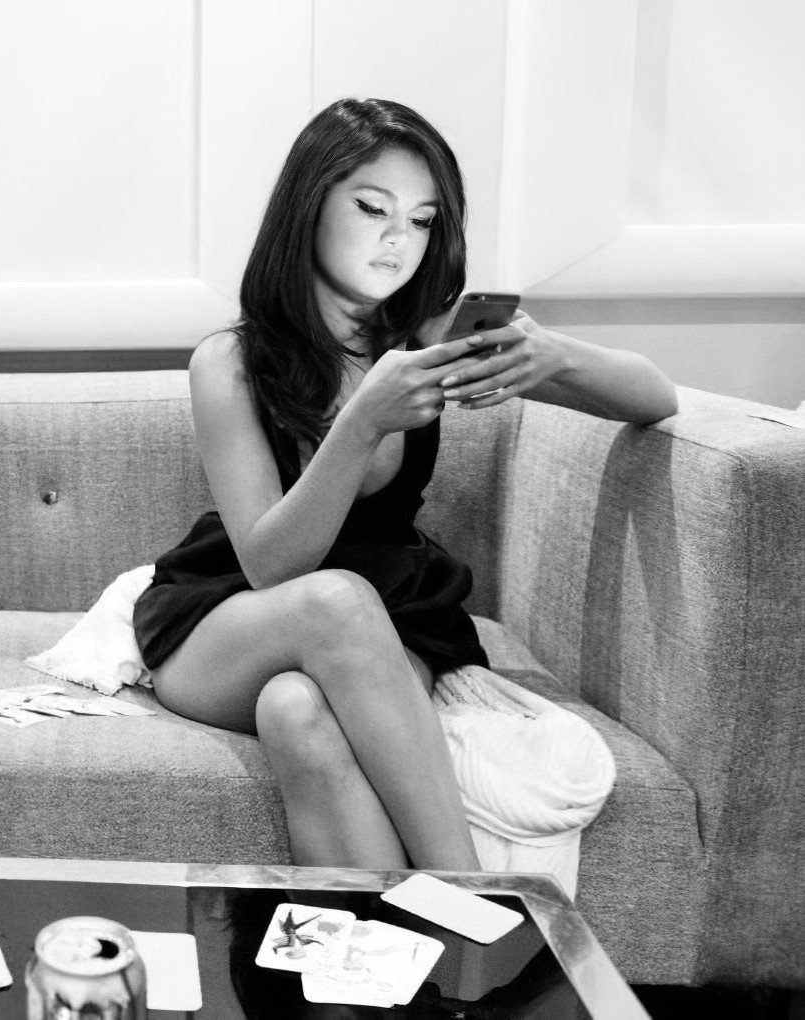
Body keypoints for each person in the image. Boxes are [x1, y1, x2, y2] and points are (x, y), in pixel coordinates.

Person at [132, 97, 678, 874]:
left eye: (422, 220)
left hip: (393, 619)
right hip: (238, 617)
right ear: (308, 203)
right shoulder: (229, 363)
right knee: (333, 600)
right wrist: (363, 422)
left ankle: (388, 945)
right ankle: (476, 895)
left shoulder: (428, 338)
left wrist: (553, 355)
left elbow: (655, 396)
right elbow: (271, 566)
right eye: (372, 208)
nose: (399, 240)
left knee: (296, 709)